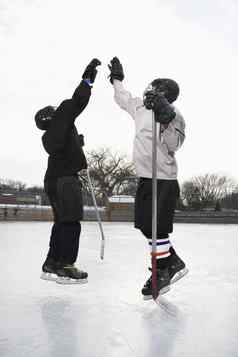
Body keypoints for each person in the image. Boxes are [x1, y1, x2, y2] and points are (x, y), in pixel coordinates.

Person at [108, 57, 188, 299]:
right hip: (144, 177)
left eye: (154, 88)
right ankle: (171, 261)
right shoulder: (140, 108)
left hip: (163, 179)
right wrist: (117, 80)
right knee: (146, 225)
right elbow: (123, 99)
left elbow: (175, 144)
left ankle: (161, 269)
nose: (149, 90)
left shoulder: (175, 116)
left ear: (165, 94)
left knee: (158, 228)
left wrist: (165, 118)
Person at [35, 58, 101, 284]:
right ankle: (65, 265)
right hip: (65, 181)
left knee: (62, 221)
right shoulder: (62, 116)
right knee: (71, 222)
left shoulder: (48, 136)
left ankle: (52, 262)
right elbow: (76, 102)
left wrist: (75, 143)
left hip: (52, 180)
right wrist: (87, 81)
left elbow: (61, 146)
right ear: (53, 116)